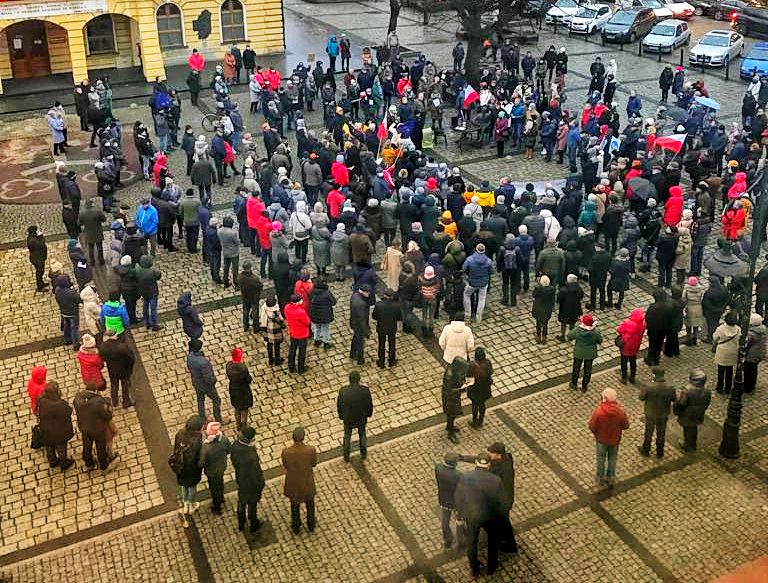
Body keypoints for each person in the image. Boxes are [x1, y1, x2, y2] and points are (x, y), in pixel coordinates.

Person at [454, 454, 507, 577]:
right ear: (489, 465)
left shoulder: (465, 477)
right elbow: (502, 501)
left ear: (476, 462)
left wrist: (460, 514)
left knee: (472, 542)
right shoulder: (496, 480)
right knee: (493, 541)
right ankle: (492, 566)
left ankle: (474, 568)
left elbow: (458, 497)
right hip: (490, 516)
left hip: (472, 515)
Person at [588, 388, 629, 489]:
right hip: (615, 440)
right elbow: (626, 426)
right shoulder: (620, 412)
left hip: (601, 440)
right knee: (612, 458)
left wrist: (597, 433)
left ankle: (600, 478)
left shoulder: (599, 412)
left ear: (604, 398)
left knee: (601, 459)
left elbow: (592, 426)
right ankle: (610, 478)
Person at [281, 426, 318, 534]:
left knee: (294, 505)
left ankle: (296, 526)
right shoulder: (311, 450)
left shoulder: (286, 452)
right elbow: (314, 463)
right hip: (307, 481)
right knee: (310, 504)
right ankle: (311, 524)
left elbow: (285, 465)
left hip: (293, 482)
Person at [169, 415, 204, 527]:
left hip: (180, 466)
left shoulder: (179, 434)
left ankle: (185, 505)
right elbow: (198, 457)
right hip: (192, 469)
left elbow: (175, 449)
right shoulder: (197, 440)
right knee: (192, 486)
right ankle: (191, 505)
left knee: (183, 485)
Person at [73, 382, 115, 473]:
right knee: (100, 447)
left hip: (84, 427)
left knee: (87, 446)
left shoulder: (78, 398)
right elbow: (107, 415)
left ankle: (89, 464)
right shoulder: (98, 401)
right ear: (95, 390)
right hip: (97, 429)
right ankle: (104, 467)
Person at [230, 426, 265, 531]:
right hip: (251, 483)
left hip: (241, 479)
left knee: (242, 501)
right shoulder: (251, 456)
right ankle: (253, 523)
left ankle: (241, 522)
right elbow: (255, 473)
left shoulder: (235, 446)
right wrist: (260, 484)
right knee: (252, 504)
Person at [638, 367, 676, 458]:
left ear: (654, 375)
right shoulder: (670, 387)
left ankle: (646, 449)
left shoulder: (649, 386)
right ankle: (660, 451)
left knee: (649, 432)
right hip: (663, 413)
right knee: (661, 433)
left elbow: (641, 397)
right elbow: (674, 399)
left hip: (650, 413)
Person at [488, 442, 518, 553]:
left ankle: (511, 545)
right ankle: (502, 537)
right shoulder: (500, 459)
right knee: (502, 522)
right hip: (500, 500)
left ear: (498, 454)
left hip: (503, 502)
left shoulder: (505, 470)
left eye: (491, 453)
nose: (489, 454)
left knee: (505, 523)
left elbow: (505, 488)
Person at [337, 370, 373, 462]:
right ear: (359, 379)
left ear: (349, 380)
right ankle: (363, 453)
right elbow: (369, 404)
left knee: (347, 435)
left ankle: (346, 455)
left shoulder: (343, 391)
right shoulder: (365, 390)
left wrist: (341, 416)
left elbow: (339, 405)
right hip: (361, 417)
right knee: (362, 435)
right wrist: (369, 414)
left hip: (348, 418)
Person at [37, 382, 75, 470]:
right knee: (61, 447)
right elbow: (69, 411)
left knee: (49, 446)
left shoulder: (41, 401)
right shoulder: (61, 404)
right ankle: (64, 463)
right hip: (59, 430)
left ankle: (52, 461)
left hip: (46, 429)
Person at [186, 339, 223, 423]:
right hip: (206, 386)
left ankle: (202, 417)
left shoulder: (189, 356)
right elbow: (209, 379)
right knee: (216, 400)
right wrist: (214, 380)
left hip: (196, 382)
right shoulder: (204, 363)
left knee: (200, 399)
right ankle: (218, 419)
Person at [675, 368, 711, 451]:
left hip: (688, 414)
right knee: (694, 428)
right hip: (699, 412)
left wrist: (678, 407)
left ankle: (688, 445)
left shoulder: (687, 390)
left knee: (687, 429)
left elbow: (681, 404)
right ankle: (693, 443)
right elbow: (707, 401)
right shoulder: (707, 389)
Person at [199, 421, 230, 515]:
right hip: (222, 467)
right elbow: (228, 450)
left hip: (211, 471)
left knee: (214, 488)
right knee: (220, 482)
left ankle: (217, 507)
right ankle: (221, 498)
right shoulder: (224, 439)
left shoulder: (206, 447)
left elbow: (201, 463)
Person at [98, 328, 135, 407]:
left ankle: (114, 401)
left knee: (114, 384)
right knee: (125, 385)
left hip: (112, 369)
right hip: (124, 369)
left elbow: (102, 357)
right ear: (115, 335)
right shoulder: (122, 346)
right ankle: (126, 402)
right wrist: (129, 367)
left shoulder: (103, 346)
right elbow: (131, 357)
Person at [435, 452, 463, 549]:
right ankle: (461, 539)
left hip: (444, 499)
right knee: (459, 520)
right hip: (456, 502)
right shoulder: (458, 475)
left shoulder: (438, 468)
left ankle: (447, 539)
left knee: (445, 521)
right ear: (455, 464)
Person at [568, 314, 602, 392]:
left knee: (576, 368)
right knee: (588, 370)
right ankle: (584, 386)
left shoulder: (577, 330)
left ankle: (574, 383)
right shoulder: (596, 331)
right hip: (590, 353)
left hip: (579, 352)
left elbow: (569, 336)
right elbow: (600, 340)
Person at [462, 244, 493, 323]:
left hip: (472, 282)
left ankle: (467, 315)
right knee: (482, 299)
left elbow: (464, 269)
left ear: (476, 250)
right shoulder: (489, 261)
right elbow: (491, 271)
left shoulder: (469, 260)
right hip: (483, 283)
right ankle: (478, 317)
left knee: (466, 295)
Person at [372, 288, 402, 368]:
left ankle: (381, 361)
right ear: (392, 296)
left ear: (385, 295)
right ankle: (391, 361)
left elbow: (374, 316)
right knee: (392, 344)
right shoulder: (396, 306)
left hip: (381, 328)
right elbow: (399, 318)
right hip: (392, 328)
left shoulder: (378, 305)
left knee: (381, 345)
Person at [712, 311, 740, 394]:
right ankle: (728, 387)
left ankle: (720, 387)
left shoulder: (720, 329)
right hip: (732, 351)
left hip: (722, 351)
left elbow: (715, 338)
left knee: (721, 371)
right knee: (729, 371)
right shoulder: (738, 330)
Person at [616, 308, 645, 384]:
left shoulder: (628, 323)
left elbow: (619, 329)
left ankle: (624, 377)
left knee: (624, 361)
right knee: (633, 360)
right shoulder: (643, 323)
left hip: (626, 345)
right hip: (636, 345)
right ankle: (632, 377)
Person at [442, 357, 468, 443]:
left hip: (454, 398)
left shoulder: (454, 371)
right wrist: (461, 389)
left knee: (453, 415)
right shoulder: (449, 376)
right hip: (449, 399)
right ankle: (450, 432)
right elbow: (449, 391)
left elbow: (459, 379)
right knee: (451, 415)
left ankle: (450, 427)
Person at [226, 348, 253, 430]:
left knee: (237, 408)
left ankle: (238, 424)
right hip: (243, 391)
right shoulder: (243, 368)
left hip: (233, 389)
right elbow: (248, 379)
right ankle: (244, 426)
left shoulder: (228, 365)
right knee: (244, 409)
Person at [284, 294, 311, 373]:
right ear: (298, 302)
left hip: (293, 332)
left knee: (292, 349)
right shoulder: (300, 311)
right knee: (302, 351)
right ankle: (301, 368)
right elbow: (307, 322)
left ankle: (291, 366)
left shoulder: (287, 307)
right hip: (302, 334)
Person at [135, 254, 163, 332]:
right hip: (153, 293)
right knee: (153, 309)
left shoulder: (138, 271)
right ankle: (155, 324)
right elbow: (159, 275)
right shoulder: (152, 272)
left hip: (144, 292)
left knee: (145, 307)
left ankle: (147, 322)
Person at [467, 347, 492, 428]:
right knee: (482, 404)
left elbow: (468, 376)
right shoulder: (488, 362)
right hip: (485, 388)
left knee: (475, 405)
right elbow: (491, 372)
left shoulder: (471, 365)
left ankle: (474, 421)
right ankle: (481, 421)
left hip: (474, 388)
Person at [55, 274, 81, 349]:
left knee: (67, 325)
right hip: (73, 313)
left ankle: (67, 340)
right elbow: (78, 300)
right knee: (74, 329)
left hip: (64, 312)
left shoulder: (57, 290)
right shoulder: (71, 292)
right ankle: (76, 344)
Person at [349, 284, 372, 365]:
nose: (369, 294)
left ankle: (352, 353)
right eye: (368, 293)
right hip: (358, 325)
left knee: (355, 338)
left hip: (353, 322)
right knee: (360, 342)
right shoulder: (361, 304)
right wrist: (366, 331)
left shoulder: (354, 295)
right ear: (363, 292)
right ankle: (360, 359)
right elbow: (362, 319)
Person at [744, 313, 766, 394]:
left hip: (752, 355)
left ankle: (748, 387)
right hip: (760, 353)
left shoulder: (752, 334)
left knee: (748, 370)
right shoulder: (763, 329)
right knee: (754, 369)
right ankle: (752, 384)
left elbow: (747, 344)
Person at [260, 296, 285, 365]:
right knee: (277, 345)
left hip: (266, 328)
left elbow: (262, 318)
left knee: (269, 344)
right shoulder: (276, 311)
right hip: (275, 330)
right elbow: (281, 319)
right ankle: (277, 359)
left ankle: (270, 359)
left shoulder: (263, 308)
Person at [238, 262, 262, 332]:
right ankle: (256, 328)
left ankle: (245, 326)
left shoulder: (240, 277)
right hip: (254, 297)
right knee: (255, 312)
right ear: (250, 268)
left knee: (245, 311)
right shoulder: (254, 278)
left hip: (245, 297)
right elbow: (260, 286)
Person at [532, 275, 556, 344]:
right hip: (547, 308)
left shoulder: (538, 289)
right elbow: (552, 299)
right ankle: (544, 337)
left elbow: (534, 295)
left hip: (539, 307)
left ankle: (538, 336)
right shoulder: (552, 289)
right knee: (545, 323)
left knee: (538, 322)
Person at [26, 225, 48, 291]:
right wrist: (41, 236)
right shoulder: (32, 240)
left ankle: (41, 283)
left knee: (41, 271)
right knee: (39, 272)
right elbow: (41, 244)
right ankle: (40, 287)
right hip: (37, 259)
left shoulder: (32, 237)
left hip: (39, 257)